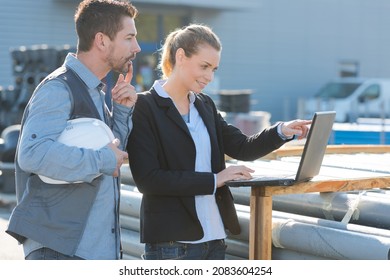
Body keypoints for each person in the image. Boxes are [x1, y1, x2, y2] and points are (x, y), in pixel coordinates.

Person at [126, 23, 311, 260]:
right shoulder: (144, 107)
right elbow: (149, 180)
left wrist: (282, 131)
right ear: (181, 56)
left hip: (214, 239)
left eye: (214, 69)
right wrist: (216, 179)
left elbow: (243, 147)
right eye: (204, 66)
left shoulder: (204, 104)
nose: (209, 77)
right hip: (172, 245)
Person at [6, 0, 141, 260]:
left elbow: (113, 157)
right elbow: (32, 154)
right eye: (130, 37)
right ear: (101, 40)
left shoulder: (95, 93)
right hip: (60, 250)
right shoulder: (58, 89)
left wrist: (122, 112)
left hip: (91, 248)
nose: (136, 47)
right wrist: (103, 158)